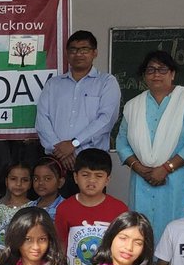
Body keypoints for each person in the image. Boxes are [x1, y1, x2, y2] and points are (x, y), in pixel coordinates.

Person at [117, 50, 184, 244]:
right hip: (143, 179)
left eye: (162, 69)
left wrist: (166, 168)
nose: (156, 74)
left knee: (178, 236)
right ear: (144, 76)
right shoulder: (133, 105)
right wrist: (139, 167)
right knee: (143, 235)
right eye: (150, 70)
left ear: (172, 73)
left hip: (178, 180)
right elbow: (121, 143)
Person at [35, 31, 122, 192]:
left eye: (84, 49)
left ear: (94, 53)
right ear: (67, 53)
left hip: (91, 164)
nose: (78, 54)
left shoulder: (106, 82)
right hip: (56, 163)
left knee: (90, 211)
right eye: (74, 50)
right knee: (56, 213)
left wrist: (74, 144)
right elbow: (42, 119)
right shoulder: (53, 84)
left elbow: (106, 120)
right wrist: (60, 150)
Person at [54, 149, 127, 265]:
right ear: (76, 177)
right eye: (85, 175)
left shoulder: (120, 209)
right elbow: (60, 242)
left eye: (98, 176)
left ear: (107, 180)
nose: (91, 180)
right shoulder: (64, 208)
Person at [0, 162, 32, 255]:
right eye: (13, 179)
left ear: (30, 183)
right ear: (6, 181)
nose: (18, 184)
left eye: (24, 180)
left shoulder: (34, 208)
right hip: (4, 261)